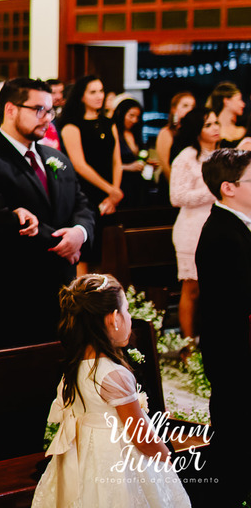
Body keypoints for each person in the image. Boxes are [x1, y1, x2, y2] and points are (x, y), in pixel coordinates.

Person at [33, 274, 189, 507]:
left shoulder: (74, 368)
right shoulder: (114, 375)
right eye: (126, 310)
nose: (129, 317)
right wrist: (165, 456)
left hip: (83, 460)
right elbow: (141, 437)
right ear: (113, 319)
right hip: (119, 463)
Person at [0, 78, 93, 351]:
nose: (47, 119)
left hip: (62, 289)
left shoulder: (56, 158)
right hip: (12, 291)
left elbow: (81, 204)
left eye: (51, 110)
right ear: (10, 110)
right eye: (39, 110)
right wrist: (61, 242)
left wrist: (80, 233)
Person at [195, 148, 251, 507]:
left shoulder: (238, 224)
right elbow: (239, 298)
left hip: (239, 345)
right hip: (235, 351)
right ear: (228, 187)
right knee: (235, 433)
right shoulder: (221, 233)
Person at [169, 106, 221, 342]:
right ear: (197, 129)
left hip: (219, 226)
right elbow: (176, 197)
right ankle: (188, 345)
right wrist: (215, 192)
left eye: (216, 123)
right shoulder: (187, 157)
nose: (215, 128)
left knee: (218, 288)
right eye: (208, 124)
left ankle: (213, 340)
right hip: (191, 227)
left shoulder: (224, 155)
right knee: (192, 289)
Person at [59, 74, 123, 221]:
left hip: (112, 190)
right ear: (81, 96)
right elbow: (79, 165)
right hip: (85, 189)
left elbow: (116, 161)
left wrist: (115, 191)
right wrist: (110, 189)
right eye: (93, 92)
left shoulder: (109, 123)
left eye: (101, 91)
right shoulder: (72, 125)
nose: (99, 96)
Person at [114, 97, 151, 208]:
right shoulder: (114, 133)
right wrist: (128, 167)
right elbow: (107, 164)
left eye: (137, 117)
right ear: (121, 113)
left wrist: (146, 162)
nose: (134, 120)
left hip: (138, 184)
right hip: (122, 184)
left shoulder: (135, 134)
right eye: (131, 115)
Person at [154, 91, 195, 189]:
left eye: (192, 106)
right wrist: (176, 187)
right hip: (171, 185)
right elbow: (165, 165)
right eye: (185, 106)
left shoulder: (193, 133)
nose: (190, 109)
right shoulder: (167, 132)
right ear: (174, 109)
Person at [209, 81, 246, 148]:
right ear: (226, 101)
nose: (243, 104)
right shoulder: (212, 132)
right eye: (239, 99)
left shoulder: (243, 130)